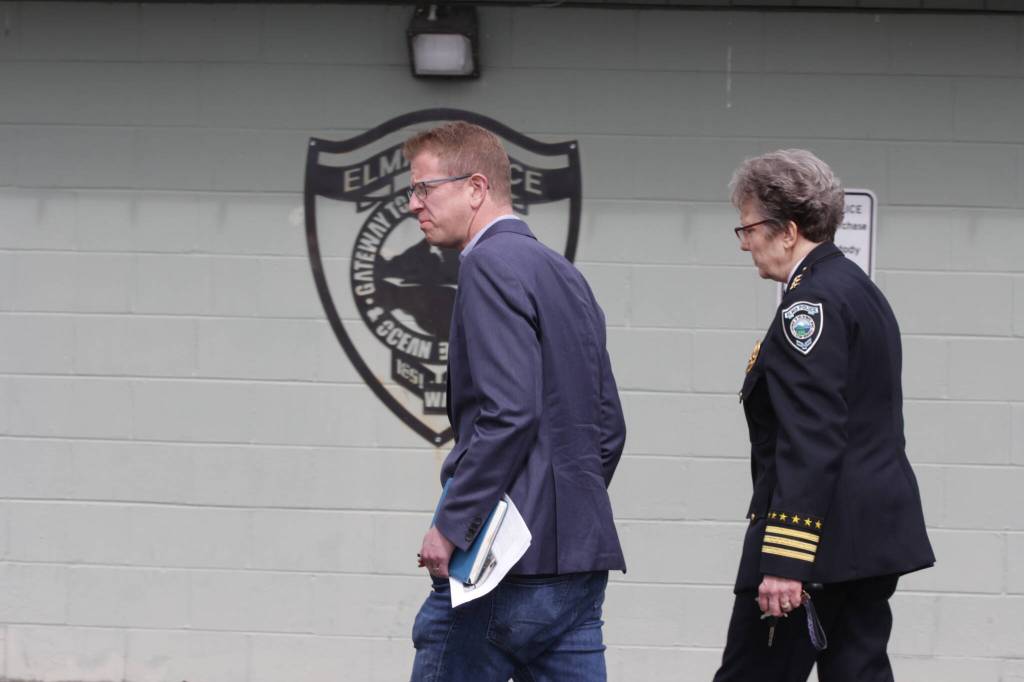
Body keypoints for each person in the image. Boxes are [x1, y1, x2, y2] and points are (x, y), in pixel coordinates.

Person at [405, 121, 627, 682]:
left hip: (500, 568)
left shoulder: (487, 265)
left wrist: (453, 525)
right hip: (578, 563)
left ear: (476, 188)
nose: (413, 204)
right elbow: (609, 428)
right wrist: (559, 509)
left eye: (424, 188)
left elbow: (509, 414)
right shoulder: (566, 275)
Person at [713, 149, 934, 682]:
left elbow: (811, 437)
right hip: (867, 542)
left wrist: (786, 561)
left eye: (748, 229)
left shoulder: (807, 306)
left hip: (818, 548)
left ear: (786, 230)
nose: (745, 243)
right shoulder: (859, 290)